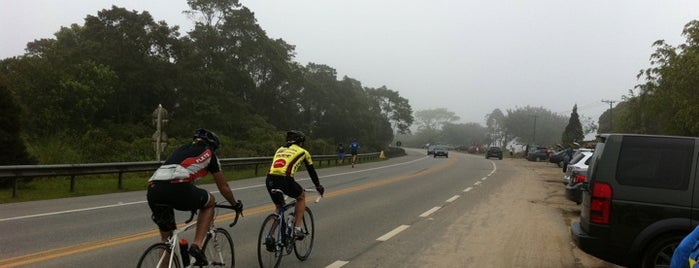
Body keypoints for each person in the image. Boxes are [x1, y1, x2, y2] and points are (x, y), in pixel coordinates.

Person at [147, 128, 243, 265]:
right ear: (212, 146)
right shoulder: (210, 154)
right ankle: (196, 246)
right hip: (177, 186)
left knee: (167, 240)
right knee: (210, 202)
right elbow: (224, 187)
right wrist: (234, 204)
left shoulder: (181, 149)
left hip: (153, 189)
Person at [266, 130, 325, 239]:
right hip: (285, 179)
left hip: (269, 179)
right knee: (301, 196)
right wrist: (318, 185)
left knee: (279, 207)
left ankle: (270, 236)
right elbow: (311, 171)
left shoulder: (279, 149)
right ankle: (297, 229)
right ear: (301, 143)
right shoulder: (303, 152)